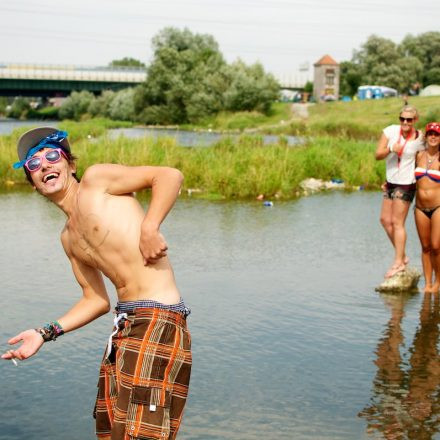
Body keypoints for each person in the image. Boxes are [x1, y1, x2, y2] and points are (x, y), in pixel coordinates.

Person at [1, 127, 192, 440]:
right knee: (110, 430)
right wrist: (44, 333)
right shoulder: (69, 238)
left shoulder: (97, 181)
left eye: (51, 156)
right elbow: (96, 300)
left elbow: (169, 176)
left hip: (159, 317)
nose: (45, 165)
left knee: (141, 433)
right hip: (124, 327)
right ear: (33, 183)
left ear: (71, 165)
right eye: (34, 165)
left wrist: (150, 227)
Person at [375, 106, 425, 278]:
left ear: (415, 120)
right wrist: (391, 149)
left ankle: (398, 263)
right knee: (384, 220)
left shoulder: (420, 139)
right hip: (390, 182)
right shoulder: (390, 131)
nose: (405, 122)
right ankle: (402, 256)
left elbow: (425, 158)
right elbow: (378, 155)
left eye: (409, 120)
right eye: (402, 118)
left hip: (406, 183)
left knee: (397, 223)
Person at [414, 122, 440, 293]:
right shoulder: (418, 155)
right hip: (420, 208)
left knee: (436, 246)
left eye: (436, 134)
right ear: (426, 136)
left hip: (438, 206)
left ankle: (438, 282)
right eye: (430, 133)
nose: (433, 137)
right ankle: (428, 284)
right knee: (425, 247)